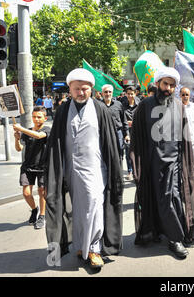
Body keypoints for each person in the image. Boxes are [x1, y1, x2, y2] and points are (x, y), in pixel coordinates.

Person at [45, 68, 123, 269]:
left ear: (91, 89)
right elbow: (56, 142)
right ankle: (81, 245)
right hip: (71, 170)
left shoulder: (100, 109)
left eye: (85, 89)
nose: (81, 92)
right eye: (77, 89)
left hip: (96, 169)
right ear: (70, 89)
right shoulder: (62, 110)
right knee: (78, 210)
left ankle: (95, 249)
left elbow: (110, 142)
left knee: (94, 206)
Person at [129, 66, 194, 259]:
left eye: (172, 85)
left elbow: (185, 137)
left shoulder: (178, 105)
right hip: (152, 163)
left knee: (171, 198)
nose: (168, 88)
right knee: (154, 199)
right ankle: (157, 231)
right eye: (165, 84)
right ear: (158, 84)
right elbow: (137, 137)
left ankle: (175, 239)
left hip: (174, 163)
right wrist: (136, 162)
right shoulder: (145, 105)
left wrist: (186, 162)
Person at [13, 106, 50, 229]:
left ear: (45, 118)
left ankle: (42, 216)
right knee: (26, 193)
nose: (36, 119)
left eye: (39, 117)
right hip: (27, 166)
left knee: (42, 192)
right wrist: (17, 139)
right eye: (34, 117)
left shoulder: (47, 129)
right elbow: (19, 149)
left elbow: (38, 136)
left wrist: (21, 128)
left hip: (42, 166)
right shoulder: (27, 132)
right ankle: (34, 209)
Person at [101, 84, 130, 162]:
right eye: (105, 92)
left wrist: (126, 134)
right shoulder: (98, 105)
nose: (108, 94)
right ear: (102, 93)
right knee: (105, 155)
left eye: (110, 92)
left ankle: (118, 173)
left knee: (119, 154)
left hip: (118, 133)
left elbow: (124, 120)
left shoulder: (118, 105)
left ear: (112, 93)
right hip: (104, 134)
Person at [123, 86, 139, 181]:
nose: (130, 95)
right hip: (127, 132)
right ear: (126, 94)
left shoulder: (140, 104)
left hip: (137, 131)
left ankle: (136, 171)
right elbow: (121, 119)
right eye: (128, 94)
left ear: (135, 93)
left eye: (131, 94)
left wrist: (134, 122)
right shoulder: (123, 105)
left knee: (137, 152)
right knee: (128, 152)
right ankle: (130, 171)